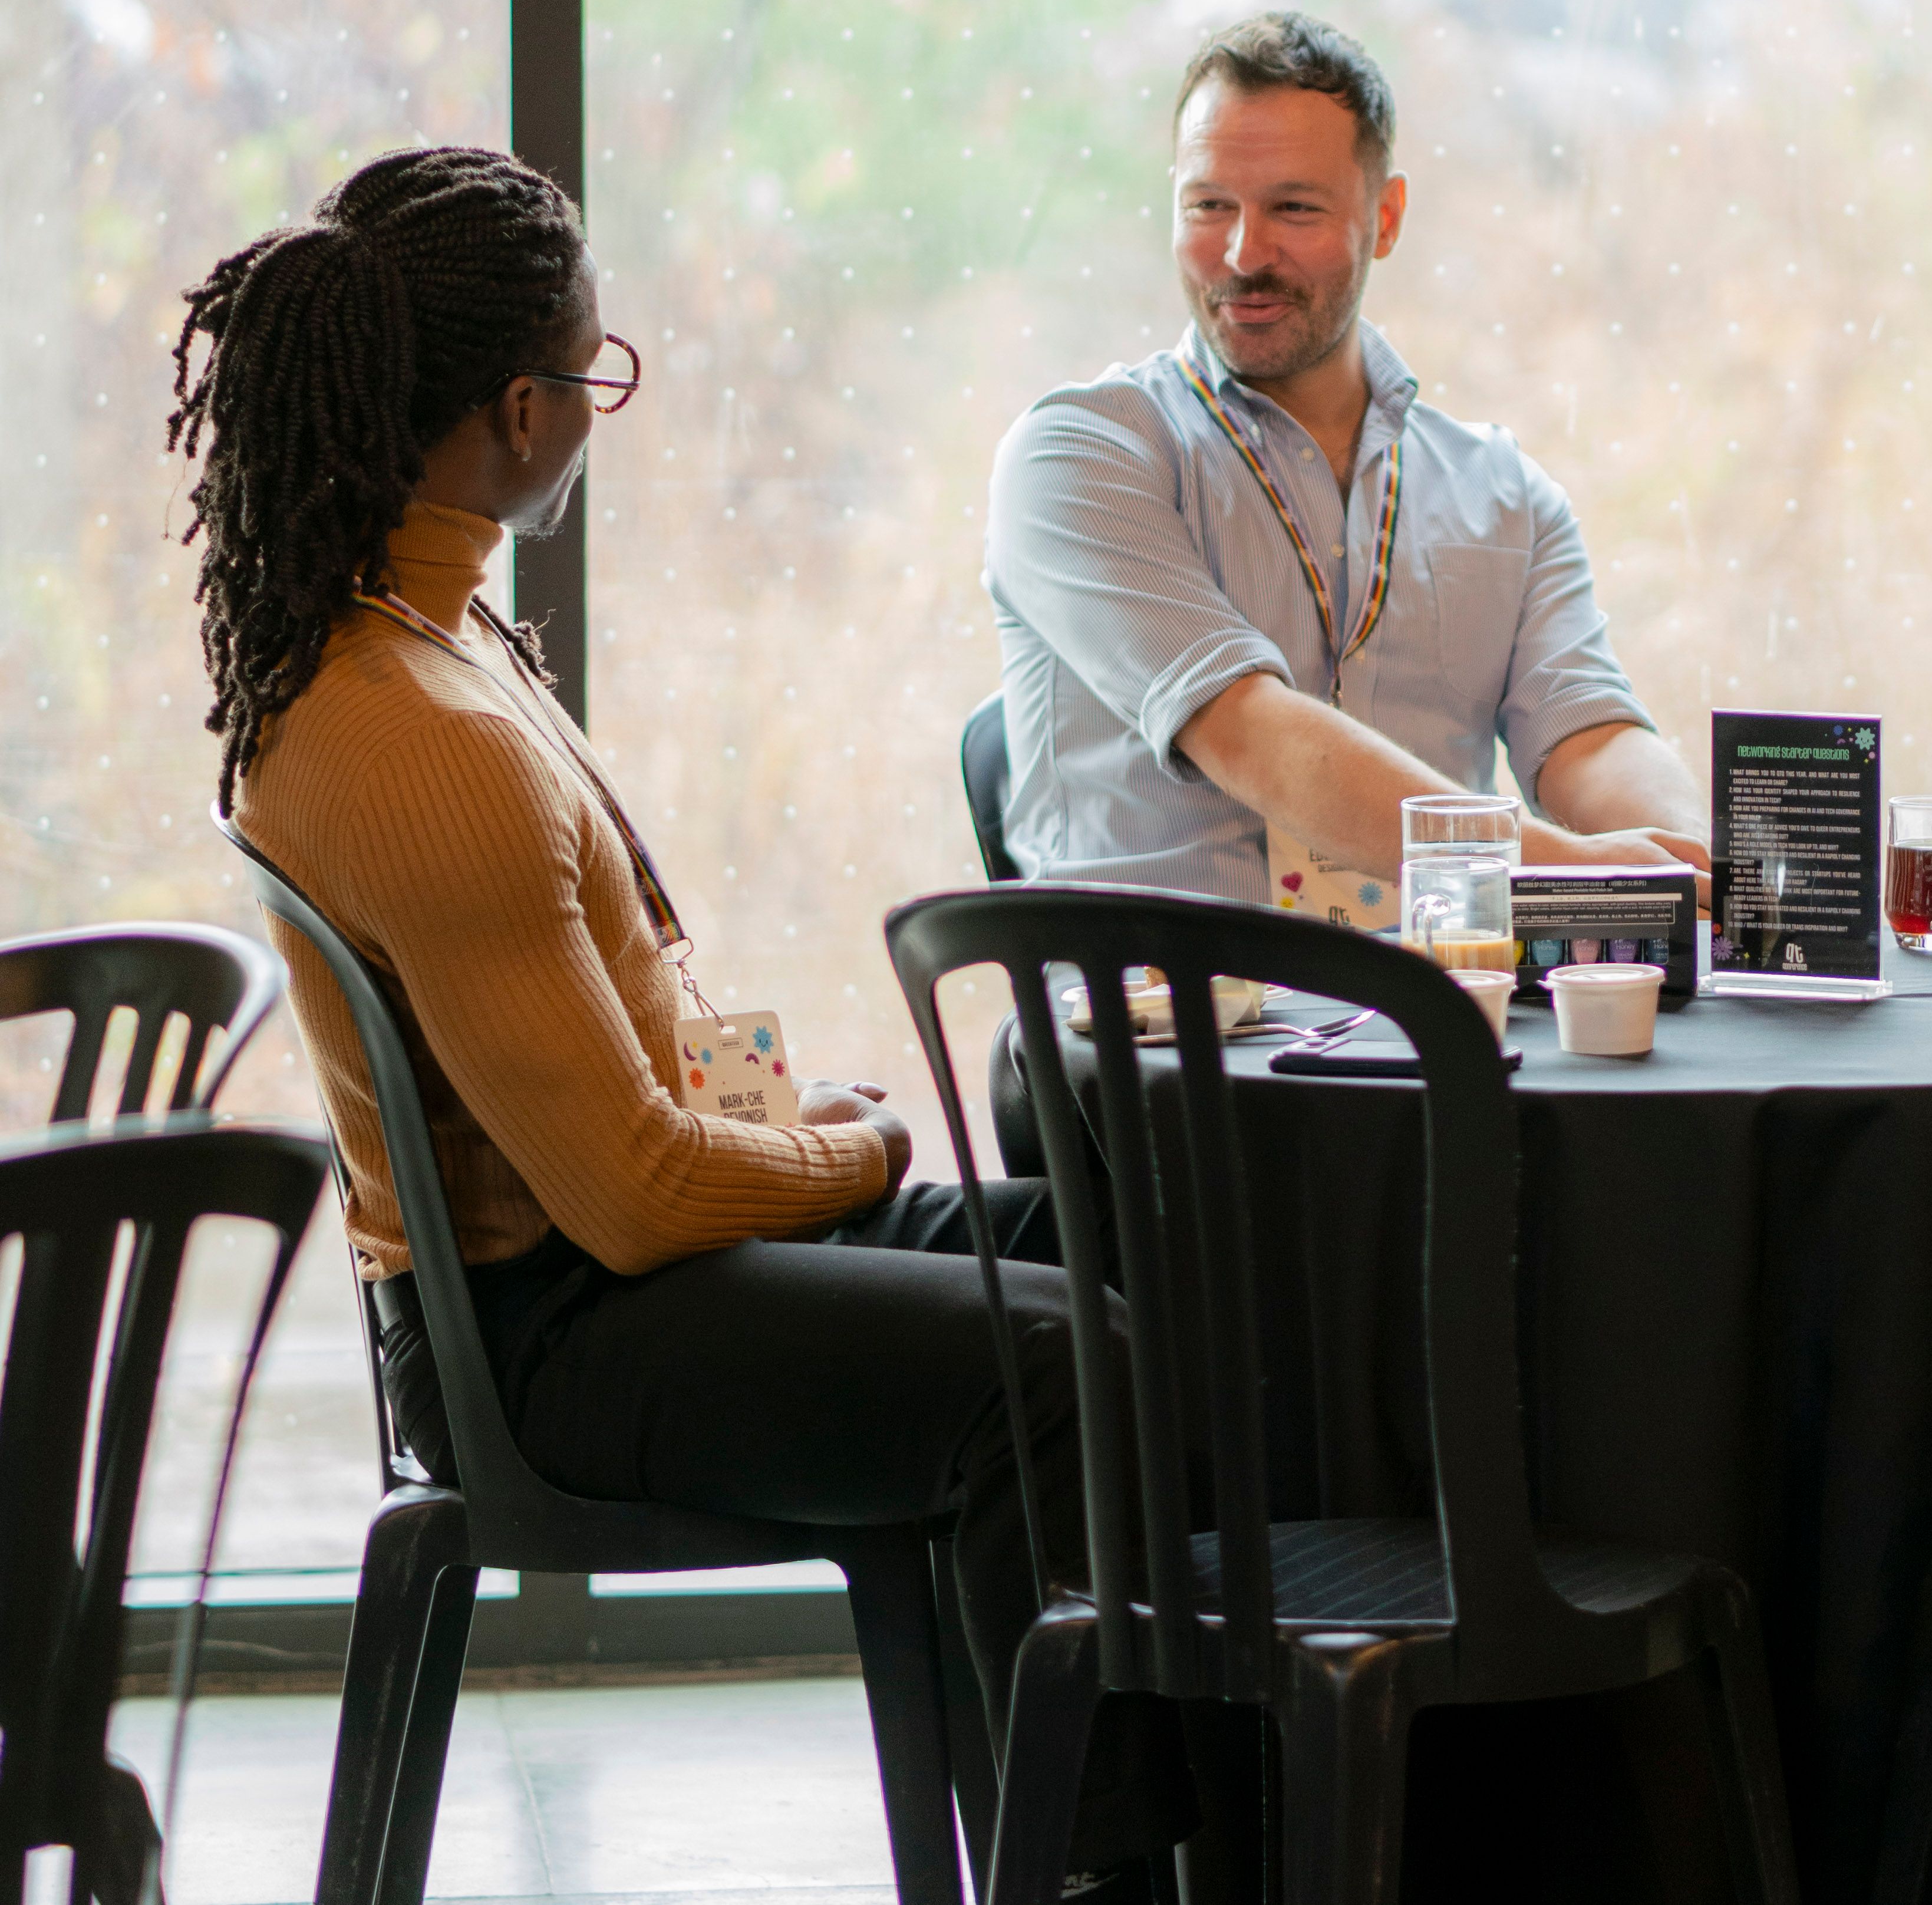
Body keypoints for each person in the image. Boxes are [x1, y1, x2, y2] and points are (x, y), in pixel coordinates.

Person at [171, 146, 1185, 1893]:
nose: (601, 406)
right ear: (514, 411)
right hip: (550, 1331)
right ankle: (1088, 1866)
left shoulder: (427, 639)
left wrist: (806, 1153)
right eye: (594, 372)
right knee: (1055, 1365)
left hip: (599, 1272)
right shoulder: (416, 731)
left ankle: (1201, 1827)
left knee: (1148, 1253)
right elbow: (630, 1196)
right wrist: (851, 1144)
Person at [983, 10, 1705, 916]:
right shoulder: (1078, 457)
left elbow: (1587, 741)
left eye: (1294, 209)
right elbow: (1253, 735)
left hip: (1431, 1025)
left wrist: (1709, 875)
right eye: (1209, 206)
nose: (1245, 254)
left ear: (1386, 217)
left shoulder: (1503, 495)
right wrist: (1557, 869)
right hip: (1174, 1033)